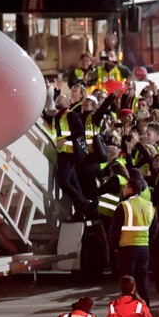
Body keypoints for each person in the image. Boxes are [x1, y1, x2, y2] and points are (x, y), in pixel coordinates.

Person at [109, 177, 157, 304]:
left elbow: (114, 229)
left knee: (127, 281)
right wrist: (147, 242)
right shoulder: (149, 206)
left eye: (125, 187)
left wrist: (115, 246)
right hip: (143, 248)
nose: (123, 190)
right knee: (142, 278)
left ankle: (128, 307)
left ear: (130, 189)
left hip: (126, 248)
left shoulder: (124, 206)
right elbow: (153, 230)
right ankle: (145, 306)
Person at [51, 94, 96, 222]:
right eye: (57, 98)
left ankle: (86, 205)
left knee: (64, 182)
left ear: (68, 103)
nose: (57, 100)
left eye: (61, 99)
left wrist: (65, 139)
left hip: (69, 153)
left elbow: (79, 131)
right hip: (62, 152)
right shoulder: (56, 117)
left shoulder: (70, 115)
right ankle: (80, 213)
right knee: (73, 183)